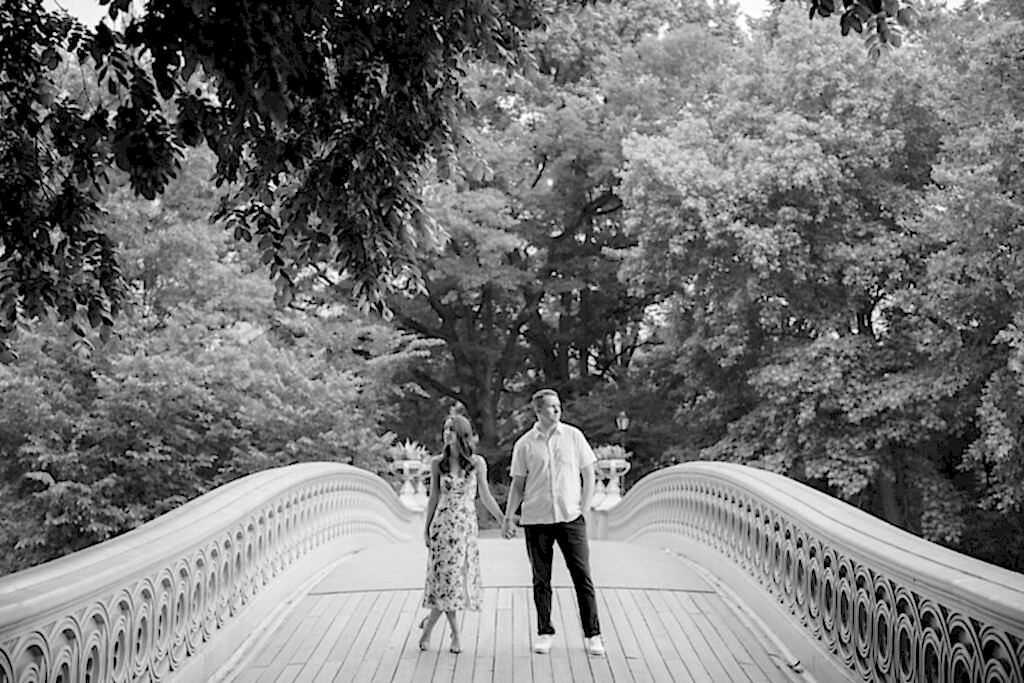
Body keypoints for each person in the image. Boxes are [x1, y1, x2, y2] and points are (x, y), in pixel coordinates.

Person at [501, 388, 606, 657]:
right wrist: (509, 517)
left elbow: (589, 473)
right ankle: (544, 632)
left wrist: (584, 506)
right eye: (550, 406)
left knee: (582, 576)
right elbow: (518, 484)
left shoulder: (573, 436)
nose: (556, 410)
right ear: (538, 410)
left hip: (570, 516)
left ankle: (593, 634)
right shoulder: (525, 444)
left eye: (558, 405)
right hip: (537, 518)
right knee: (541, 579)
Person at [419, 412, 504, 654]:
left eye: (452, 430)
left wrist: (502, 520)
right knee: (445, 582)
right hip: (442, 527)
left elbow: (485, 496)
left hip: (465, 528)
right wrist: (426, 529)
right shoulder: (437, 463)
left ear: (462, 434)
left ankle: (428, 629)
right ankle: (455, 633)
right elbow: (433, 497)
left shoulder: (477, 463)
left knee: (454, 582)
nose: (447, 434)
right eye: (445, 429)